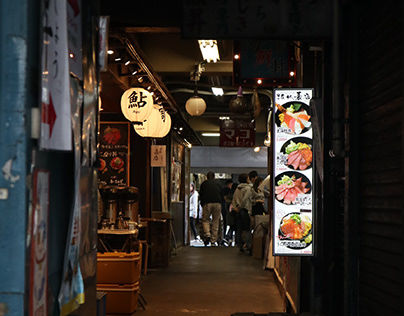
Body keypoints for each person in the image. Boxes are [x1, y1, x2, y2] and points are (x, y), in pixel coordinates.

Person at [199, 171, 224, 247]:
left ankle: (207, 234)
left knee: (205, 220)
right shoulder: (219, 184)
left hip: (207, 203)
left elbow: (201, 195)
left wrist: (202, 204)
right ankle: (213, 240)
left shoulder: (204, 184)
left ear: (207, 177)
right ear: (214, 177)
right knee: (215, 221)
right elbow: (222, 194)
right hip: (217, 203)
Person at [232, 173, 253, 254]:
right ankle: (247, 245)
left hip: (238, 210)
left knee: (239, 228)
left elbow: (234, 199)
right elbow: (245, 199)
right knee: (247, 228)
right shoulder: (248, 188)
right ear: (247, 179)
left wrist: (235, 207)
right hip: (245, 210)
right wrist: (240, 207)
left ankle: (240, 245)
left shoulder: (237, 189)